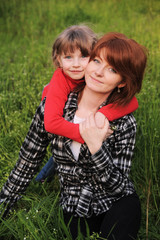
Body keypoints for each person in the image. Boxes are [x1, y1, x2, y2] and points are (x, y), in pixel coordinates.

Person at [0, 32, 147, 240]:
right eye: (96, 61)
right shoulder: (53, 107)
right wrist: (4, 204)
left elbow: (119, 185)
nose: (98, 72)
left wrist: (97, 148)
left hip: (115, 202)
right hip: (75, 207)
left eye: (112, 69)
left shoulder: (124, 122)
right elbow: (28, 160)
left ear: (122, 82)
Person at [35, 25, 138, 182]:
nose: (76, 64)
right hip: (56, 116)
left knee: (70, 152)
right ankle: (41, 180)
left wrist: (104, 113)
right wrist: (89, 136)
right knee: (60, 153)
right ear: (58, 60)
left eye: (84, 56)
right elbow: (52, 124)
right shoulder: (61, 80)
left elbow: (132, 102)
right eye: (68, 57)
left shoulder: (91, 73)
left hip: (75, 119)